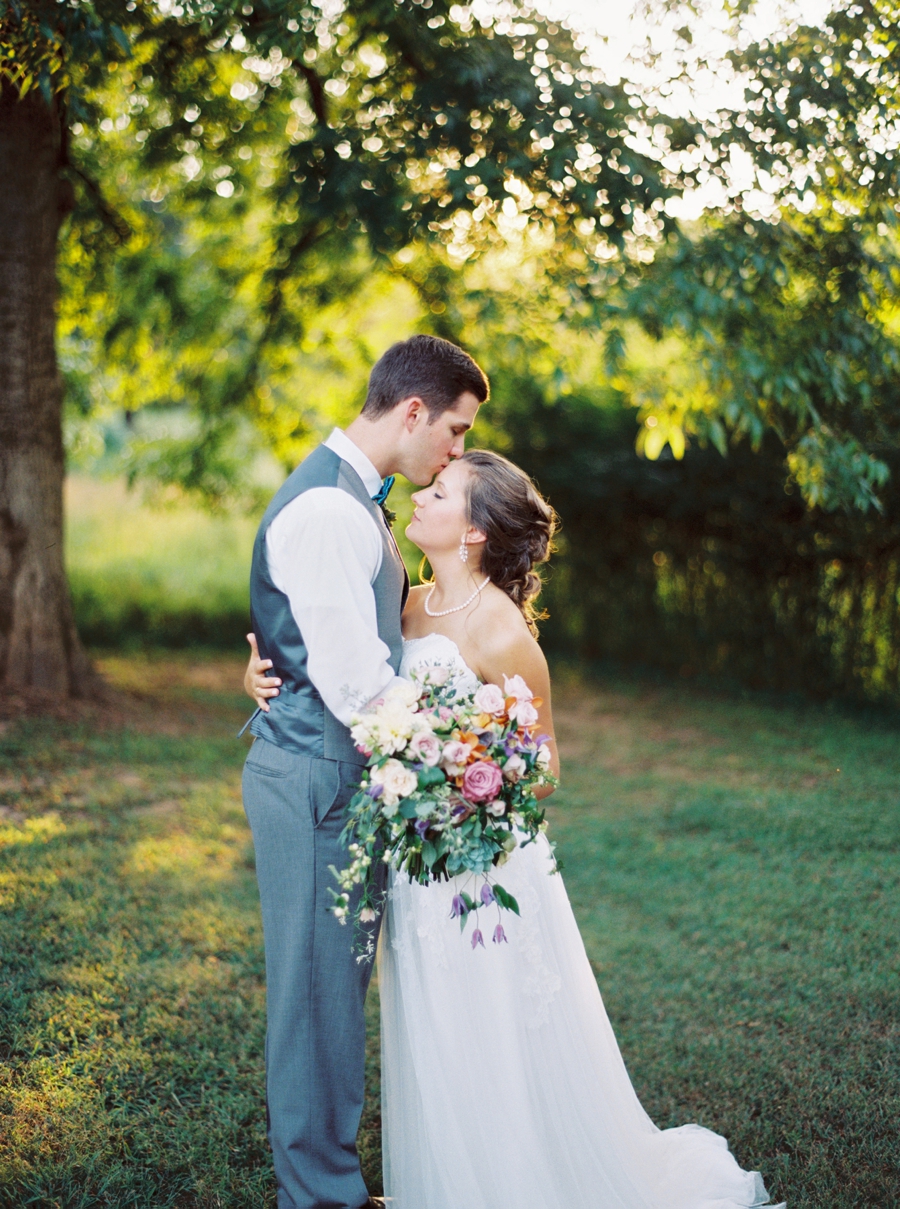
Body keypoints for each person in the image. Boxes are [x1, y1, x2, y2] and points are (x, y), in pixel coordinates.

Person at [246, 445, 786, 1209]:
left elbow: (547, 760)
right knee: (433, 1028)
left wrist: (469, 789)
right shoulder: (406, 604)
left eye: (440, 493)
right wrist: (260, 673)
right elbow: (338, 662)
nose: (421, 498)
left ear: (472, 531)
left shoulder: (500, 631)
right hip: (417, 862)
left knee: (492, 1028)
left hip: (481, 863)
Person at [240, 333, 488, 1209]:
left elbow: (328, 644)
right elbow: (356, 683)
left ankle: (332, 1181)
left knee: (336, 991)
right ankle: (319, 1197)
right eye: (454, 431)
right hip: (316, 781)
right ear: (413, 411)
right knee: (314, 1001)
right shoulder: (329, 512)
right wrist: (459, 765)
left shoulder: (355, 501)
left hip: (340, 775)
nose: (456, 451)